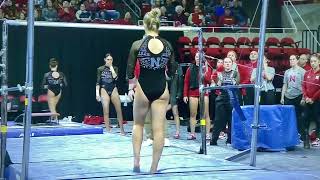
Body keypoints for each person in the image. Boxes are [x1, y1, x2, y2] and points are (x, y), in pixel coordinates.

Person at [126, 8, 176, 173]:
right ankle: (154, 169)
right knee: (159, 129)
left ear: (145, 26)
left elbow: (130, 73)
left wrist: (132, 85)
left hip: (143, 87)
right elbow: (173, 70)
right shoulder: (167, 45)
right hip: (161, 88)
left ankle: (136, 163)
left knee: (138, 125)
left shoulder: (137, 45)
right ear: (158, 26)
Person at [210, 57, 239, 146]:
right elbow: (218, 84)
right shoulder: (219, 73)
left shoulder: (236, 73)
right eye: (225, 62)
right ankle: (213, 140)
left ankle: (230, 140)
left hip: (232, 98)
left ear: (232, 64)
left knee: (231, 120)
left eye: (229, 62)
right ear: (223, 64)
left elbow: (235, 83)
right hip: (221, 98)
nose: (227, 64)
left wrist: (223, 81)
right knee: (218, 120)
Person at [183, 52, 212, 140]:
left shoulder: (206, 68)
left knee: (205, 114)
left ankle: (207, 133)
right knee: (193, 114)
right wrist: (185, 95)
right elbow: (186, 82)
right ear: (195, 58)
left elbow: (208, 80)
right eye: (196, 57)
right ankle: (192, 134)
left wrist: (205, 69)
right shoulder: (190, 68)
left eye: (200, 57)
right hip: (192, 93)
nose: (198, 58)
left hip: (204, 93)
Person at [96, 53, 125, 135]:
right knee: (106, 110)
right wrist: (97, 94)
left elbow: (115, 78)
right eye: (108, 59)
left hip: (113, 88)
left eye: (111, 59)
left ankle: (122, 130)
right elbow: (98, 82)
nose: (110, 61)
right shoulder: (100, 69)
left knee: (119, 110)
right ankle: (108, 130)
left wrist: (111, 67)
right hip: (104, 88)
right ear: (105, 60)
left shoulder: (115, 68)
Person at [280, 54, 306, 140]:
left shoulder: (303, 72)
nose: (291, 61)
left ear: (297, 60)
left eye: (293, 59)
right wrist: (282, 97)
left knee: (299, 116)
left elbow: (304, 86)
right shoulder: (287, 72)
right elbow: (285, 84)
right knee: (288, 116)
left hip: (298, 95)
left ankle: (300, 134)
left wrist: (303, 97)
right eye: (290, 59)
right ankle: (288, 134)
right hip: (288, 95)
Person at [301, 53, 320, 148]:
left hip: (317, 101)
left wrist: (313, 98)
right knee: (304, 119)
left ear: (319, 62)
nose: (312, 63)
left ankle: (315, 137)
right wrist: (306, 97)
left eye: (315, 61)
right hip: (308, 101)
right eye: (311, 61)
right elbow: (303, 86)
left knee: (318, 120)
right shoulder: (307, 73)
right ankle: (306, 140)